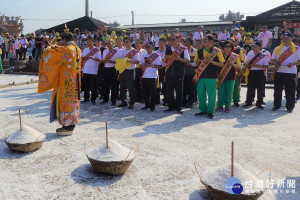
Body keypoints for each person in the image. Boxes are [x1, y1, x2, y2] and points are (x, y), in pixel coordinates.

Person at [38, 31, 81, 135]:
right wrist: (57, 47)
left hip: (65, 81)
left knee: (66, 101)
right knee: (73, 102)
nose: (61, 42)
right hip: (75, 80)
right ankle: (71, 124)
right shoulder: (77, 49)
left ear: (65, 40)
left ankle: (67, 127)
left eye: (62, 40)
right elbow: (60, 51)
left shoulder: (66, 49)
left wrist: (49, 49)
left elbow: (50, 54)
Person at [194, 34, 225, 119]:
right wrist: (199, 61)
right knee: (200, 94)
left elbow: (222, 64)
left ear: (211, 42)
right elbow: (196, 63)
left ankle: (211, 111)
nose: (203, 42)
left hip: (212, 76)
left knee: (211, 95)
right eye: (203, 40)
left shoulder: (217, 51)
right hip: (200, 76)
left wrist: (213, 62)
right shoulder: (199, 51)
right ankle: (203, 110)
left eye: (205, 40)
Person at [271, 32, 300, 113]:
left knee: (290, 92)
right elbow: (272, 59)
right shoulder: (277, 48)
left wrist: (293, 64)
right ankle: (276, 106)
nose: (284, 39)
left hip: (291, 73)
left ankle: (290, 107)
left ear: (291, 38)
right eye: (283, 37)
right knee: (277, 91)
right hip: (279, 72)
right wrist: (275, 63)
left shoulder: (297, 49)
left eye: (287, 37)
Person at [163, 34, 190, 114]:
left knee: (179, 91)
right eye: (170, 39)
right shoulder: (168, 48)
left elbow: (188, 60)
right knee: (169, 90)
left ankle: (178, 107)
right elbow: (164, 61)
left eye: (173, 39)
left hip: (179, 72)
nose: (171, 41)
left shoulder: (183, 49)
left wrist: (180, 59)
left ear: (178, 39)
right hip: (169, 72)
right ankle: (171, 106)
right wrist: (166, 58)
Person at [216, 41, 242, 113]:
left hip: (231, 76)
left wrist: (233, 64)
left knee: (229, 92)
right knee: (220, 92)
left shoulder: (235, 56)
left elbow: (239, 67)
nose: (227, 48)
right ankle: (220, 106)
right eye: (225, 46)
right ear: (223, 47)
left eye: (229, 46)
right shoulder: (219, 55)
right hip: (221, 75)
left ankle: (227, 106)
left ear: (232, 48)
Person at [243, 41, 269, 109]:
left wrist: (261, 66)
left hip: (260, 72)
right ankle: (249, 102)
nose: (254, 48)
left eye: (256, 46)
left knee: (260, 89)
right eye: (253, 46)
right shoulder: (250, 54)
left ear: (260, 47)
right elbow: (245, 63)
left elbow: (266, 65)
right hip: (251, 72)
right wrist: (248, 65)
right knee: (250, 88)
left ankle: (259, 103)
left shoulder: (263, 56)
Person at [115, 37, 140, 109]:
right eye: (125, 41)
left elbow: (137, 62)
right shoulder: (121, 51)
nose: (126, 43)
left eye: (127, 41)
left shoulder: (134, 51)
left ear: (131, 42)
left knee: (131, 87)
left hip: (130, 70)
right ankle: (123, 101)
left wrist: (130, 60)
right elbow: (117, 59)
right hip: (122, 70)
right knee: (122, 87)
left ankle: (131, 102)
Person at [139, 41, 162, 111]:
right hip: (144, 76)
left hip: (153, 76)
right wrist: (143, 65)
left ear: (152, 47)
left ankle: (152, 106)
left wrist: (151, 65)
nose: (147, 48)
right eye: (146, 47)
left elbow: (160, 66)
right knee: (145, 92)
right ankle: (146, 105)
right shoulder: (143, 55)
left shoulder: (156, 55)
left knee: (153, 92)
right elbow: (140, 65)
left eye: (149, 47)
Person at [81, 37, 102, 104]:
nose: (88, 43)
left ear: (93, 42)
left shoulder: (97, 50)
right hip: (85, 70)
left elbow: (99, 60)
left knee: (93, 86)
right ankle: (86, 98)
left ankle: (93, 99)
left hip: (93, 71)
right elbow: (82, 57)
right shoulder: (85, 50)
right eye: (87, 42)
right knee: (86, 86)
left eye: (90, 41)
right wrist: (86, 57)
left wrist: (93, 58)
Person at [100, 39, 119, 105]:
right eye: (107, 43)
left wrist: (112, 61)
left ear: (113, 44)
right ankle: (105, 99)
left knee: (113, 86)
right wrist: (102, 60)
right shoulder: (105, 51)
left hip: (112, 69)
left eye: (109, 43)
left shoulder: (116, 51)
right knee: (105, 85)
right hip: (105, 68)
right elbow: (102, 59)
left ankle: (113, 100)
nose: (108, 44)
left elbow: (118, 61)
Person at [183, 37, 197, 108]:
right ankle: (183, 102)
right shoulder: (181, 50)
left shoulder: (195, 51)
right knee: (183, 88)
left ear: (189, 43)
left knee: (191, 89)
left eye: (185, 41)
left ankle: (190, 102)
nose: (184, 43)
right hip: (182, 72)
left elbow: (197, 63)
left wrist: (191, 64)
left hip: (191, 72)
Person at [156, 37, 167, 105]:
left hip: (165, 69)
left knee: (165, 85)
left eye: (161, 43)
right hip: (158, 69)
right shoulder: (156, 52)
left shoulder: (168, 51)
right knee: (157, 85)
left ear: (165, 43)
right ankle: (156, 100)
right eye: (159, 43)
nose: (160, 44)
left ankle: (165, 100)